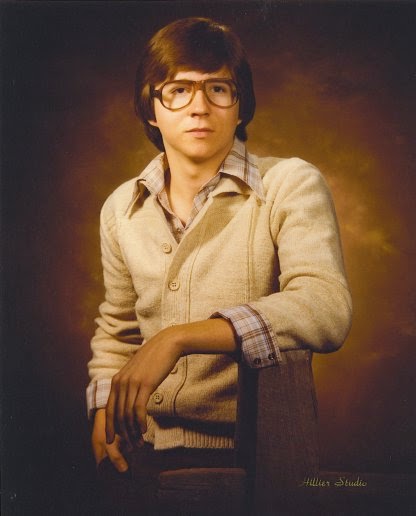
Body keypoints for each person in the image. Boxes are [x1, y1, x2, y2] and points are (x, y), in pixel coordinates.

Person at [86, 16, 352, 513]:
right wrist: (104, 404)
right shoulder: (121, 208)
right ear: (150, 108)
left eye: (218, 88)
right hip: (142, 454)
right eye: (178, 90)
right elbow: (118, 329)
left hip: (257, 456)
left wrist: (179, 338)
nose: (199, 106)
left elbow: (325, 306)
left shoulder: (288, 184)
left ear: (240, 104)